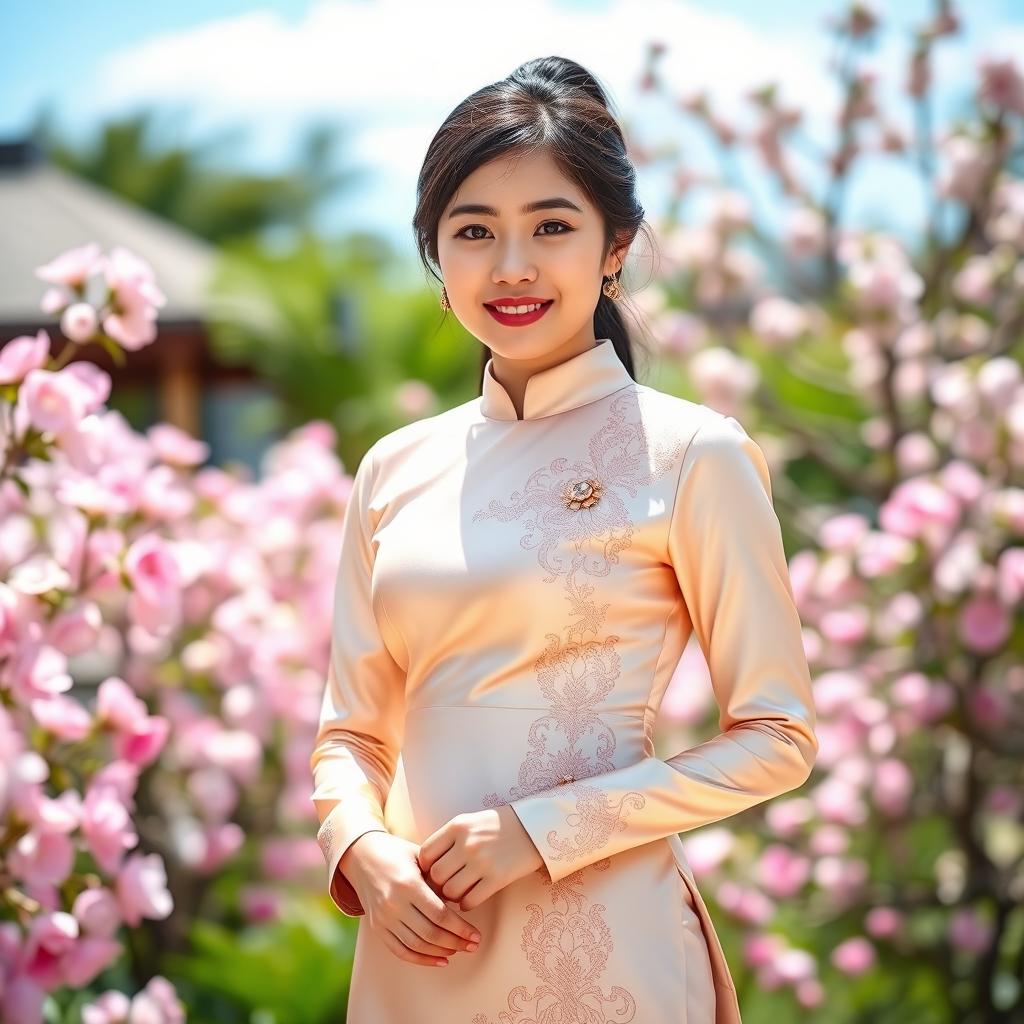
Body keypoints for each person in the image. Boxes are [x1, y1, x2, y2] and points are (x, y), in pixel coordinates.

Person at [309, 55, 818, 1024]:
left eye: (551, 226)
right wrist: (360, 849)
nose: (510, 266)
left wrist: (540, 831)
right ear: (434, 254)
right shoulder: (392, 467)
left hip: (603, 947)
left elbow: (776, 739)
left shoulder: (689, 452)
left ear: (614, 244)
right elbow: (350, 732)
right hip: (417, 943)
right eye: (472, 231)